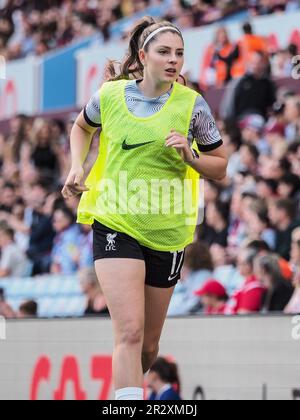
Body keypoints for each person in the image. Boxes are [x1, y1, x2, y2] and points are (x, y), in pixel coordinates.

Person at [62, 16, 228, 401]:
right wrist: (76, 164)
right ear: (143, 55)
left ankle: (126, 389)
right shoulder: (110, 96)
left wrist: (192, 157)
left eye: (180, 53)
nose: (174, 60)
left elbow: (220, 166)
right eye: (164, 52)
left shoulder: (193, 106)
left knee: (148, 346)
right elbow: (82, 127)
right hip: (116, 220)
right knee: (129, 332)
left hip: (168, 232)